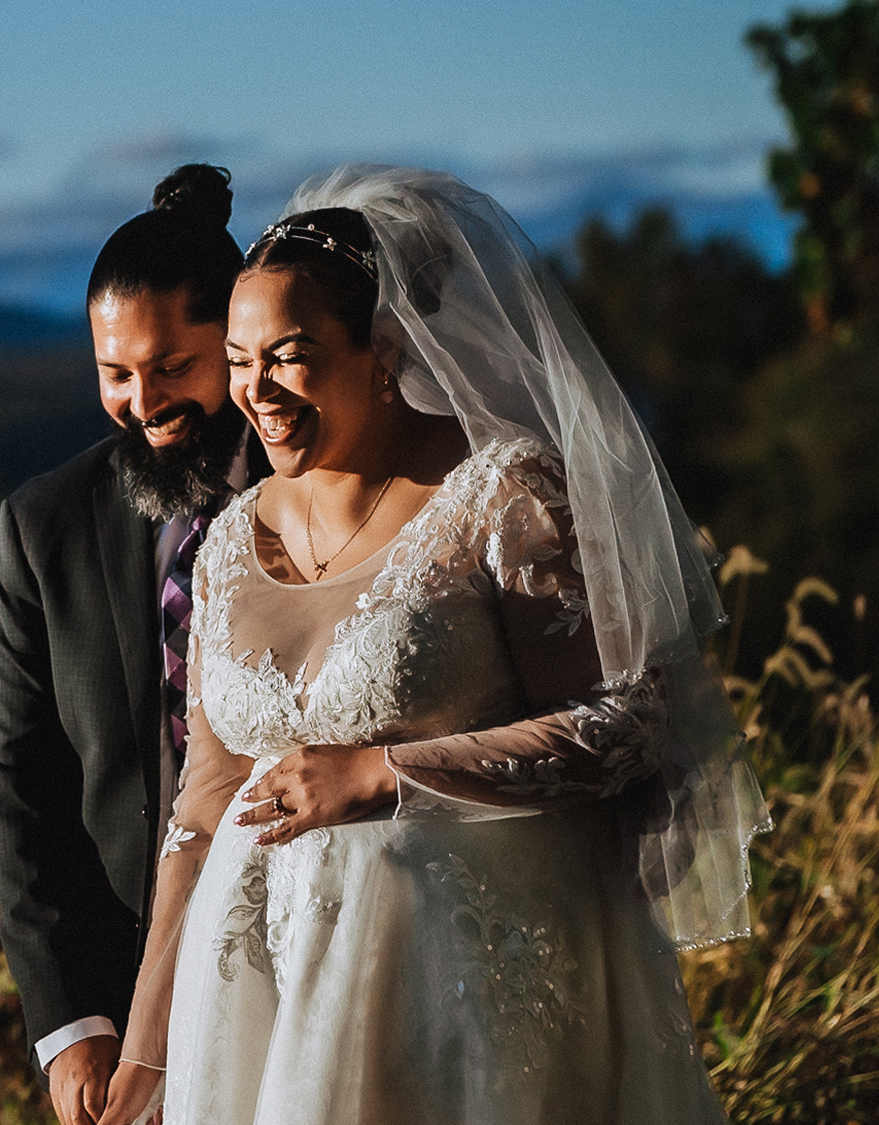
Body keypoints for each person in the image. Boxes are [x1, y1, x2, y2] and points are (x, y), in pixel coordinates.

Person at [96, 166, 767, 1125]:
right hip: (258, 1021)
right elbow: (202, 808)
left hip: (467, 1008)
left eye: (290, 355)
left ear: (384, 351)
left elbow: (627, 722)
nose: (257, 391)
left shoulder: (500, 495)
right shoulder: (227, 545)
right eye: (239, 361)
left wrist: (385, 773)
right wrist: (150, 1042)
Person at [0, 164, 268, 1125]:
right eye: (115, 374)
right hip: (125, 996)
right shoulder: (44, 524)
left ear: (233, 342)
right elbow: (18, 775)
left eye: (172, 367)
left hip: (319, 948)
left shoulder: (321, 488)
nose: (143, 402)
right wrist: (70, 1020)